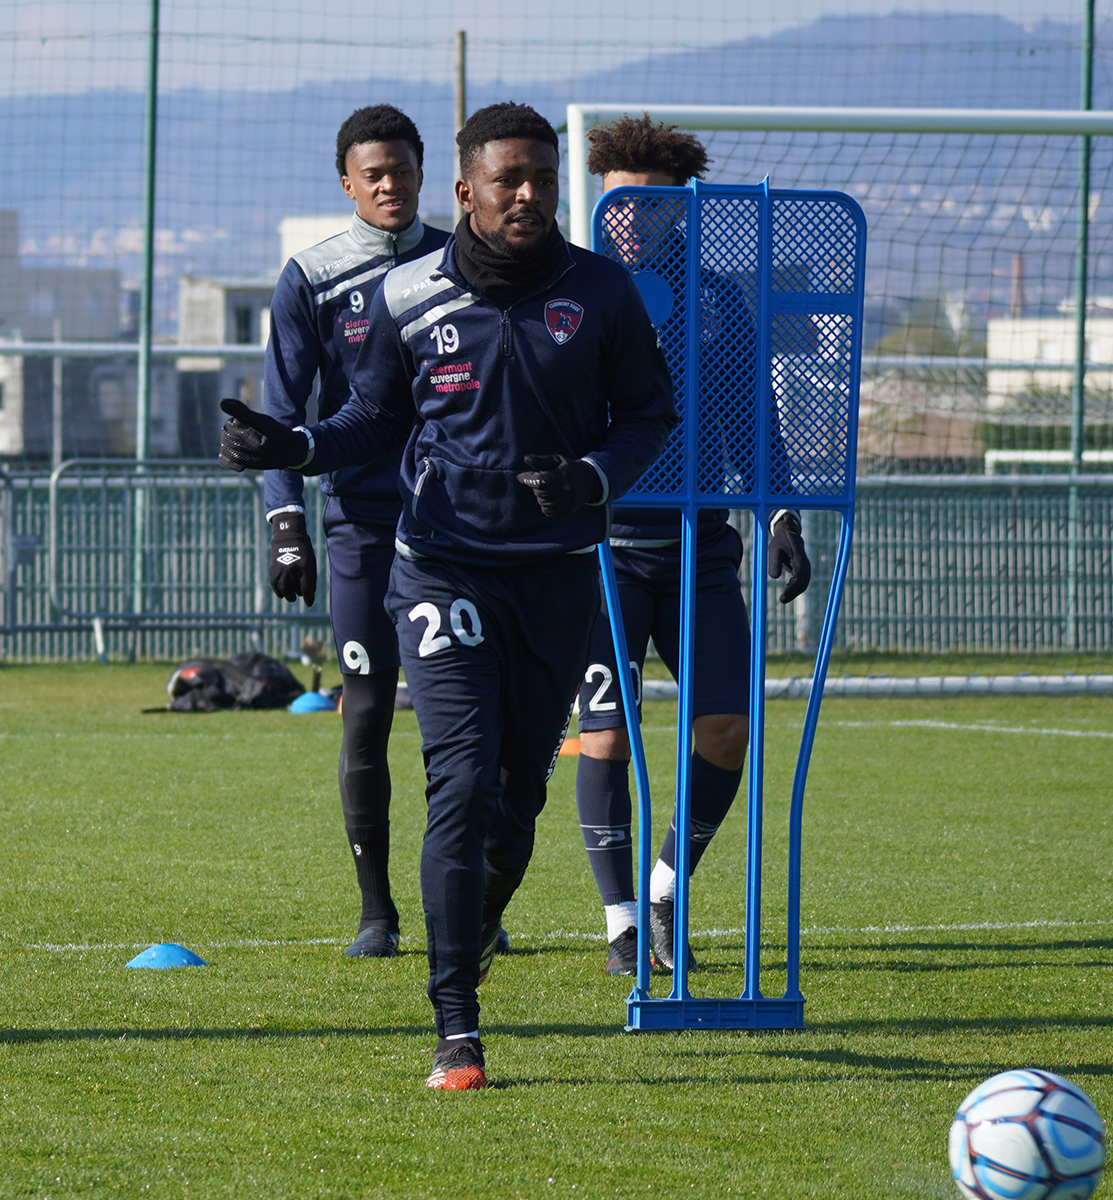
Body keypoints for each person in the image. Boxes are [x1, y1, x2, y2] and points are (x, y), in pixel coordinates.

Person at [219, 102, 677, 1089]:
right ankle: (456, 1029)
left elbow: (649, 414)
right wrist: (291, 453)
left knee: (517, 805)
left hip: (555, 576)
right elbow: (369, 422)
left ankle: (470, 936)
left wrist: (595, 477)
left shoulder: (600, 293)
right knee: (461, 784)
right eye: (507, 180)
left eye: (540, 180)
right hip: (438, 564)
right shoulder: (406, 294)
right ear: (465, 192)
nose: (527, 196)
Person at [573, 114, 813, 977]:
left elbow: (754, 419)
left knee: (725, 730)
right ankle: (622, 922)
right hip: (599, 550)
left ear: (683, 209)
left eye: (652, 202)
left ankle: (670, 889)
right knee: (606, 736)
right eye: (619, 202)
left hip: (700, 549)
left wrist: (782, 516)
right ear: (597, 203)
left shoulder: (717, 299)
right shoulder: (571, 292)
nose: (633, 216)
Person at [257, 106, 449, 958]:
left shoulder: (463, 261)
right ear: (347, 181)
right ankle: (377, 912)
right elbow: (278, 410)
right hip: (362, 529)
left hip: (458, 529)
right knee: (366, 710)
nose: (387, 183)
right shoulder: (311, 275)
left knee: (462, 721)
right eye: (372, 172)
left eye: (400, 169)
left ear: (422, 172)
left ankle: (470, 899)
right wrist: (285, 517)